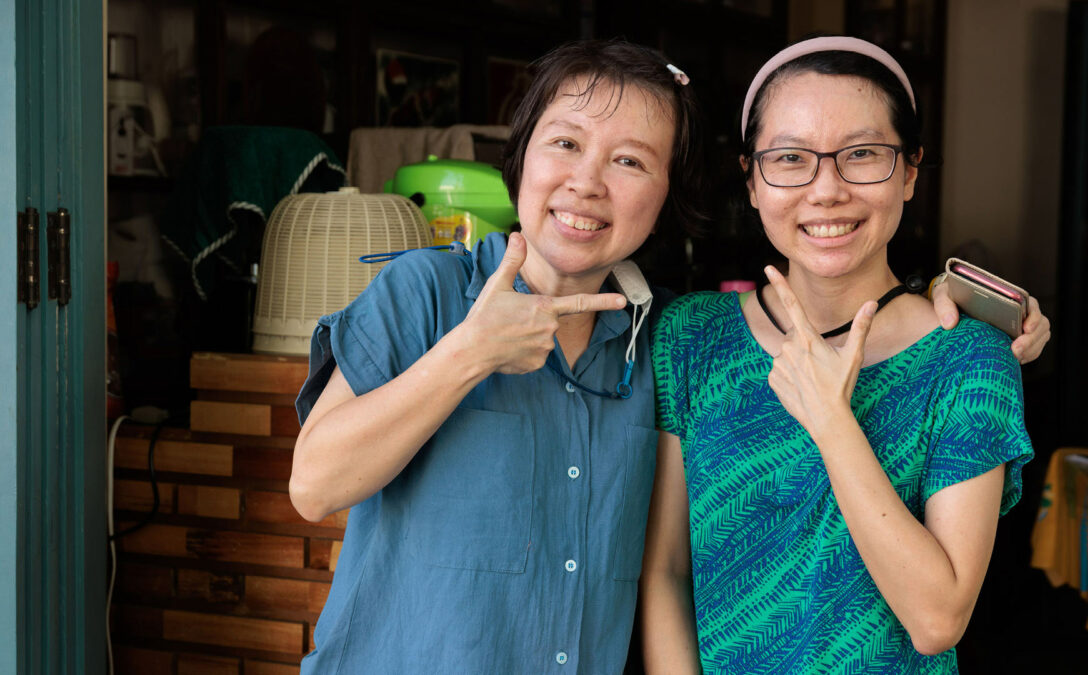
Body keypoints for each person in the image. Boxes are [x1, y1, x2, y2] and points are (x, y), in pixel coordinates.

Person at [288, 39, 706, 673]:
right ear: (522, 157)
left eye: (629, 160)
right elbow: (314, 487)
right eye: (565, 144)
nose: (586, 182)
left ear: (666, 195)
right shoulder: (426, 292)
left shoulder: (664, 343)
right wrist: (469, 354)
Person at [641, 36, 1036, 674]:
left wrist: (832, 420)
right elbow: (665, 571)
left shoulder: (967, 361)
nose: (826, 190)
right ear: (751, 180)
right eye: (791, 158)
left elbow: (938, 620)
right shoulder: (693, 337)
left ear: (909, 172)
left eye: (862, 155)